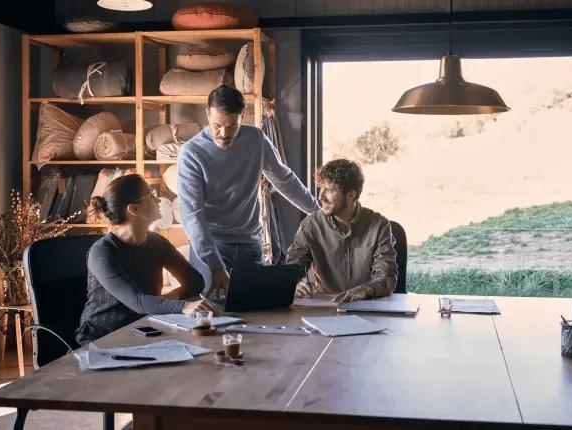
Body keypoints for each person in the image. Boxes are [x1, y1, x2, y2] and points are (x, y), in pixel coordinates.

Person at [178, 85, 319, 297]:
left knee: (256, 308)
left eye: (232, 126)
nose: (224, 134)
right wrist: (215, 266)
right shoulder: (191, 154)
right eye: (217, 125)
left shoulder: (256, 139)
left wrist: (318, 213)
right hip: (211, 247)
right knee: (211, 312)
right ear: (207, 114)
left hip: (249, 244)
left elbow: (284, 180)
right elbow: (193, 218)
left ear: (242, 116)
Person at [76, 174, 216, 346]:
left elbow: (195, 282)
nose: (158, 199)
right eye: (150, 195)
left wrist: (166, 300)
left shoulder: (157, 242)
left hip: (145, 328)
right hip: (102, 338)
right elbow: (138, 301)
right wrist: (183, 306)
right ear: (134, 209)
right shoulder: (102, 252)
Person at [286, 159, 397, 303]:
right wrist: (295, 285)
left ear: (351, 195)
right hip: (325, 308)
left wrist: (365, 289)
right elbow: (290, 271)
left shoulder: (379, 226)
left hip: (367, 305)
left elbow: (387, 277)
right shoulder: (311, 226)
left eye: (330, 190)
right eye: (321, 188)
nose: (320, 197)